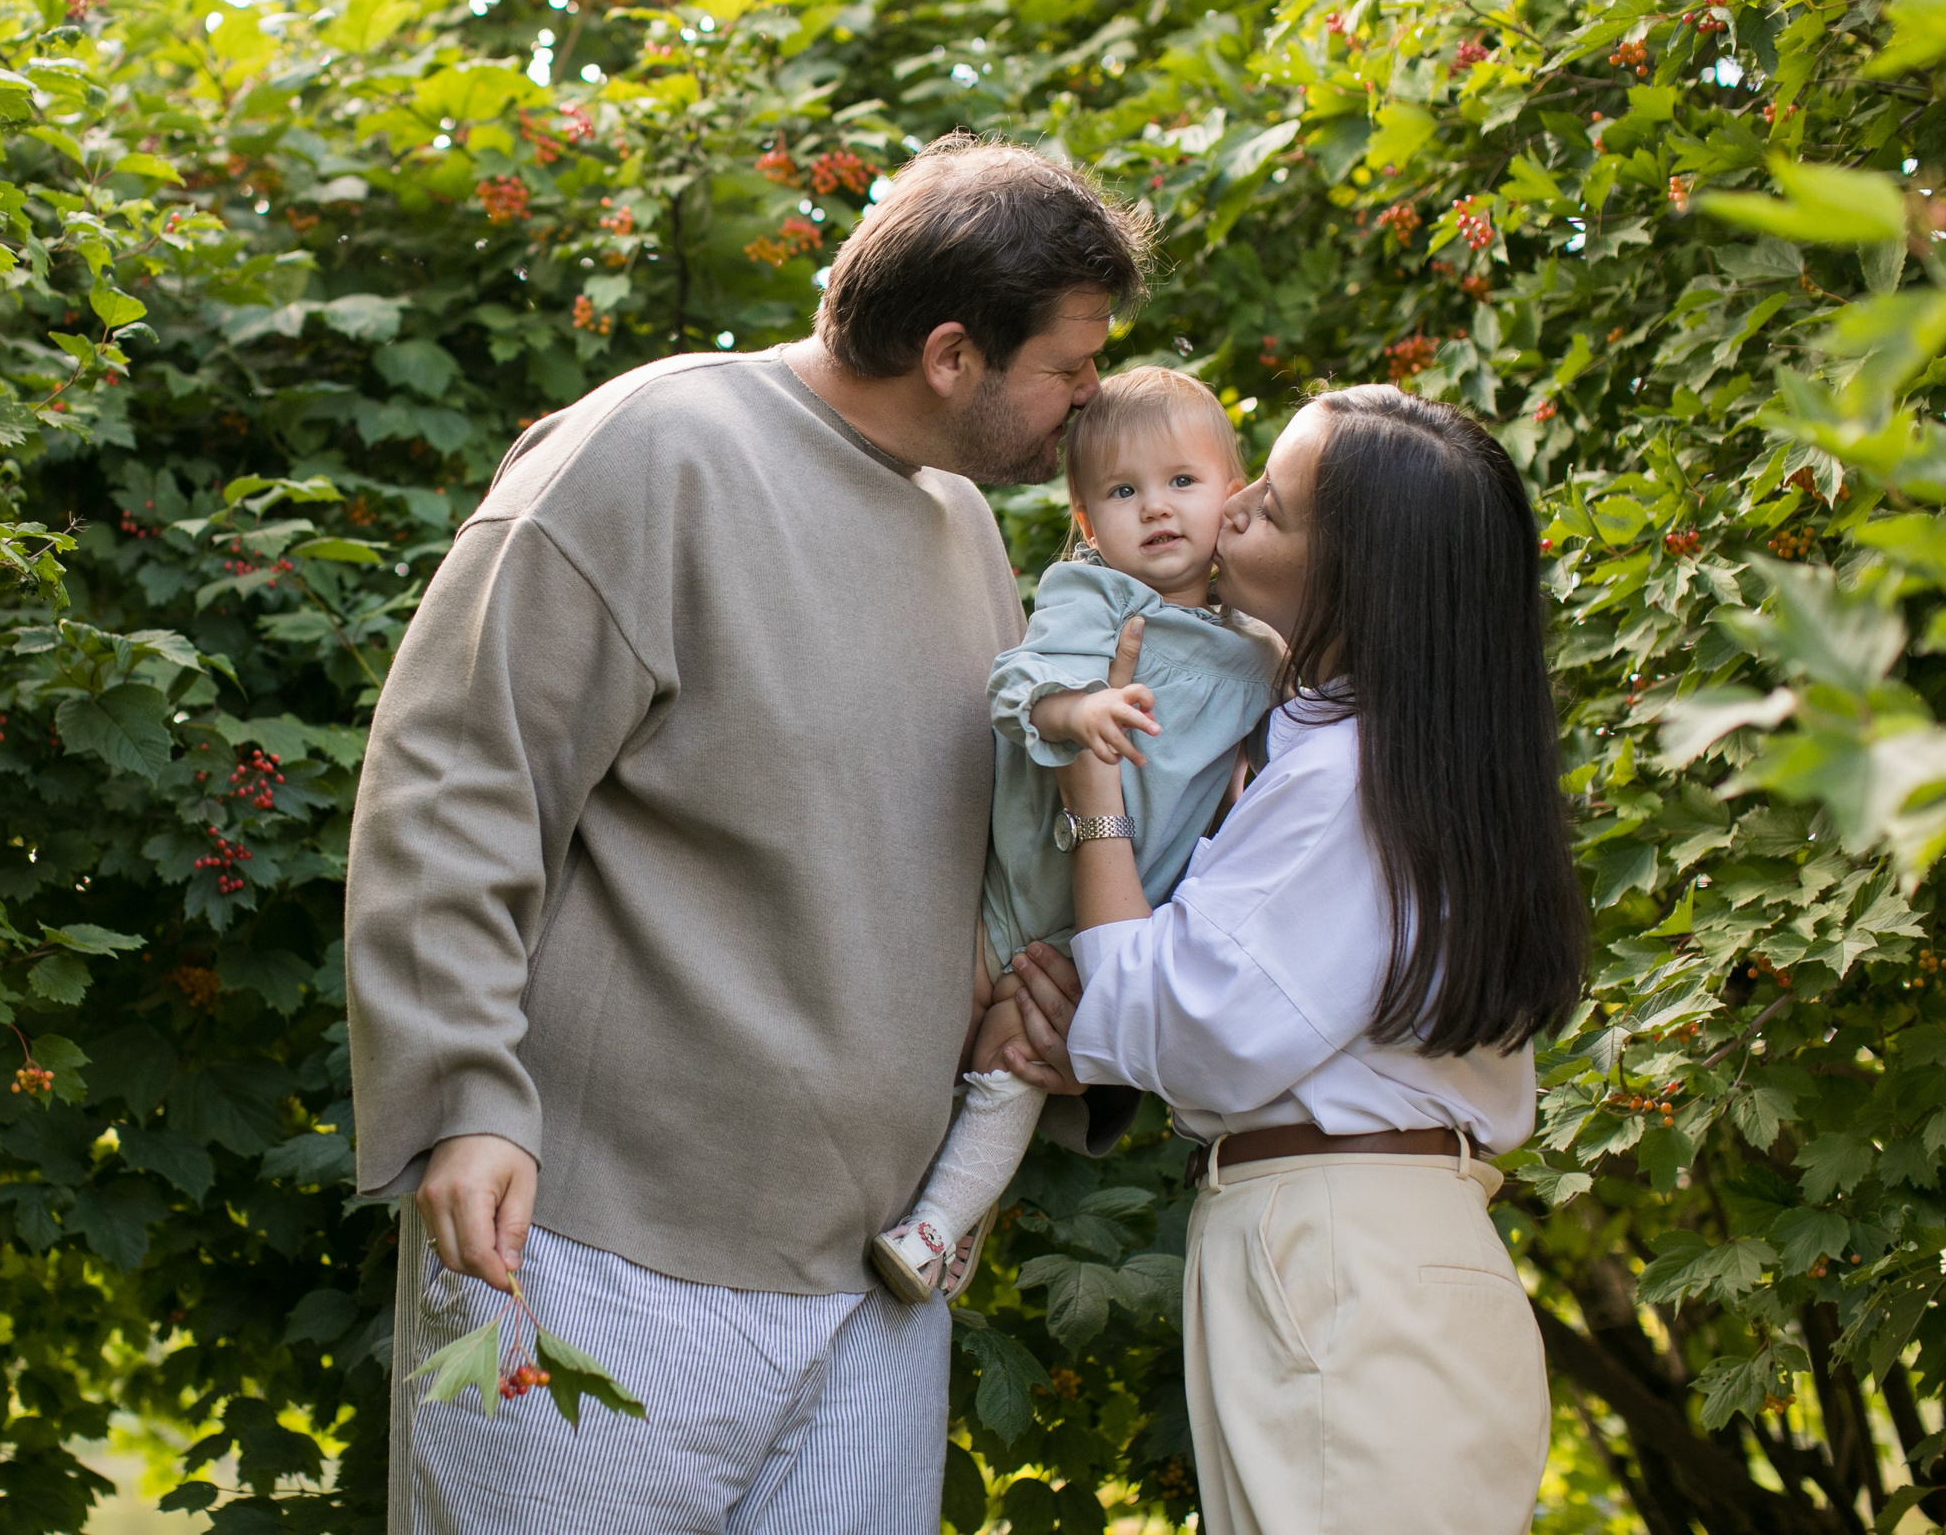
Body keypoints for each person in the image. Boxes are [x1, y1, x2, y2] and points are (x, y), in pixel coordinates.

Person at [343, 134, 1151, 1534]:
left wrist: (1020, 996)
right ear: (953, 353)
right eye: (1073, 364)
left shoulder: (966, 530)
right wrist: (463, 1089)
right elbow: (458, 781)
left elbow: (943, 855)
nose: (1093, 397)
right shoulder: (655, 450)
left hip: (875, 1289)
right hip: (594, 1253)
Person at [988, 386, 1586, 1534]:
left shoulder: (1348, 785)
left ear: (1356, 578)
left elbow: (1183, 1034)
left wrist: (1092, 799)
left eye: (1269, 504)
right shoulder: (1400, 766)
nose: (1228, 510)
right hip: (1362, 1248)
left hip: (1341, 1253)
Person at [870, 367, 1281, 1301]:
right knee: (929, 1025)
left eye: (1184, 482)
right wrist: (1077, 707)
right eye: (1123, 492)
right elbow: (1018, 683)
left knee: (1018, 1051)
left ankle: (940, 1223)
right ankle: (922, 1194)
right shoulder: (1090, 598)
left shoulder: (1260, 654)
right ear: (1087, 519)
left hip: (1105, 917)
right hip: (1011, 885)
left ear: (1234, 491)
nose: (1158, 510)